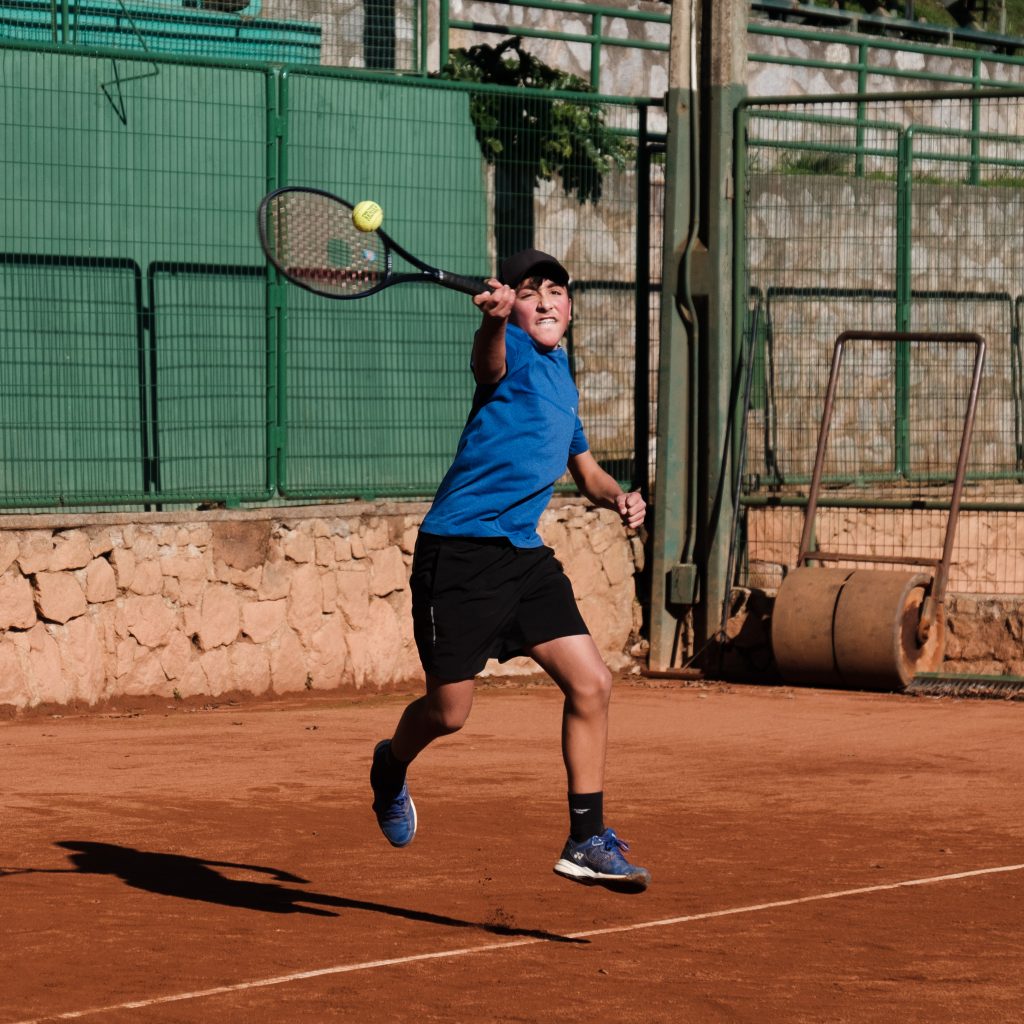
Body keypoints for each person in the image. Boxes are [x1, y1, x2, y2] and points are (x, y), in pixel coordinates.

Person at [369, 247, 650, 891]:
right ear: (514, 305)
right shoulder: (515, 350)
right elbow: (486, 364)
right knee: (449, 713)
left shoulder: (562, 377)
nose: (546, 301)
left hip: (521, 556)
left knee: (593, 683)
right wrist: (495, 322)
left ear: (571, 308)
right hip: (460, 553)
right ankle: (392, 764)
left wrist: (619, 495)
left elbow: (584, 469)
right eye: (531, 292)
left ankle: (585, 839)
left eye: (557, 291)